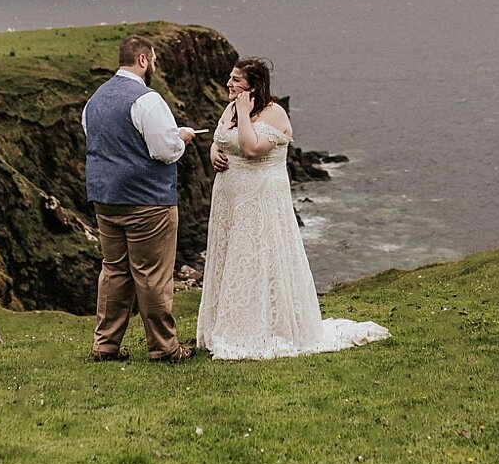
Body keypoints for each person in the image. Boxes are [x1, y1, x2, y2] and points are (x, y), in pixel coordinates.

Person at [196, 57, 389, 360]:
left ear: (253, 86)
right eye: (230, 78)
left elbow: (250, 148)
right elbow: (221, 137)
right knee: (233, 258)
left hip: (261, 201)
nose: (229, 84)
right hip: (231, 201)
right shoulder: (232, 108)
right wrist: (212, 154)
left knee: (259, 257)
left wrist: (245, 113)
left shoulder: (274, 114)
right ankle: (229, 324)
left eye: (236, 80)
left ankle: (265, 330)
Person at [84, 35, 198, 363]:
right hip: (148, 201)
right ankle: (164, 348)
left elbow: (101, 141)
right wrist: (182, 139)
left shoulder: (95, 100)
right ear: (143, 60)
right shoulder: (147, 100)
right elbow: (164, 150)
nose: (155, 68)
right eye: (155, 61)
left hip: (106, 199)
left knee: (115, 271)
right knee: (152, 274)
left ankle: (105, 345)